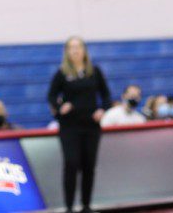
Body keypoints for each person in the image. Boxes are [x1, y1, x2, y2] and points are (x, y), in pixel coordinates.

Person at [47, 37, 111, 213]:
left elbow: (106, 96)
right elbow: (51, 96)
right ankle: (68, 207)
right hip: (69, 126)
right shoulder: (62, 73)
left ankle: (86, 206)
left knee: (89, 166)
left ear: (84, 50)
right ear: (67, 52)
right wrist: (61, 106)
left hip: (91, 125)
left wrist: (102, 110)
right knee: (71, 163)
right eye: (71, 48)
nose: (75, 51)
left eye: (78, 47)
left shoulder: (94, 71)